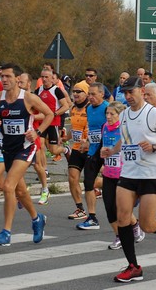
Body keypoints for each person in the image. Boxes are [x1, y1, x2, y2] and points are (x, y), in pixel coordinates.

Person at [109, 76, 156, 282]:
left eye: (131, 92)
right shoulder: (123, 115)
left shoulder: (153, 114)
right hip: (129, 173)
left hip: (152, 174)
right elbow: (124, 140)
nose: (128, 97)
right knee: (122, 218)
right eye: (124, 93)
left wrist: (155, 147)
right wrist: (111, 151)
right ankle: (133, 266)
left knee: (147, 225)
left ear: (141, 91)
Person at [0, 63, 49, 246]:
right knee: (20, 190)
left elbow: (49, 114)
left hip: (25, 147)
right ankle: (36, 218)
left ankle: (6, 232)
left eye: (8, 76)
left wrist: (38, 132)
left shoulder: (29, 98)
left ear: (18, 79)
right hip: (7, 148)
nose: (4, 80)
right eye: (2, 77)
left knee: (9, 186)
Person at [100, 101, 145, 250]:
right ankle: (119, 234)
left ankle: (133, 226)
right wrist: (103, 156)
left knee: (120, 208)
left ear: (120, 115)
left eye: (112, 114)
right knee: (109, 208)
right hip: (108, 173)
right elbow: (104, 145)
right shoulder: (105, 127)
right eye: (107, 113)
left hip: (122, 173)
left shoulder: (124, 128)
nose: (108, 116)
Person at [34, 68, 72, 205]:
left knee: (54, 150)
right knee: (41, 146)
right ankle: (45, 170)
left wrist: (54, 114)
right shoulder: (38, 91)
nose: (44, 79)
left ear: (52, 78)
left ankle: (65, 150)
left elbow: (66, 106)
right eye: (42, 77)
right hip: (42, 123)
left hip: (54, 123)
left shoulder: (56, 90)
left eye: (46, 77)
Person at [77, 82, 109, 230]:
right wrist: (87, 142)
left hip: (108, 151)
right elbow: (93, 130)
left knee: (115, 184)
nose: (90, 97)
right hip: (93, 151)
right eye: (89, 94)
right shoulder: (89, 108)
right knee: (88, 182)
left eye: (93, 94)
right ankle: (92, 217)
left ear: (102, 94)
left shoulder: (107, 108)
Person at [66, 80, 89, 220]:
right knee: (72, 178)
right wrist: (65, 137)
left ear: (86, 93)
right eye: (74, 91)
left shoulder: (90, 109)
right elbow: (73, 128)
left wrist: (88, 140)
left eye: (78, 91)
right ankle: (80, 208)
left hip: (89, 149)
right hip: (76, 148)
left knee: (90, 182)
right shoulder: (73, 109)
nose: (75, 94)